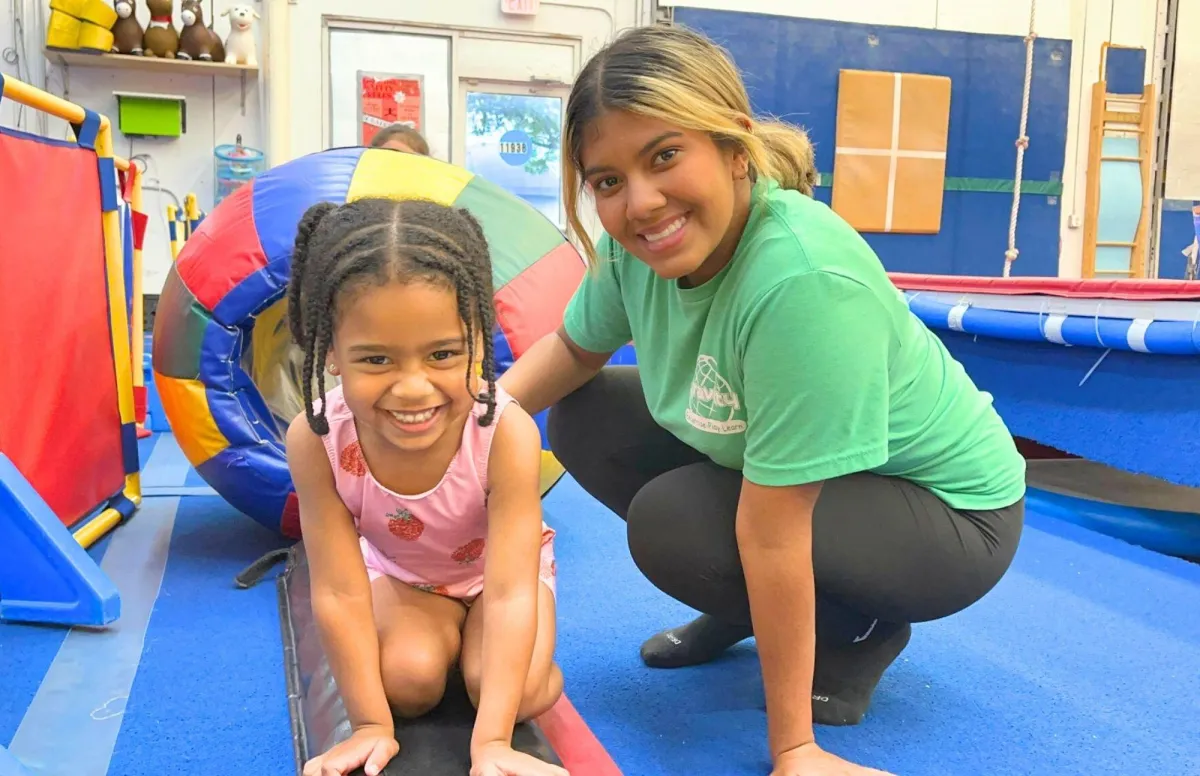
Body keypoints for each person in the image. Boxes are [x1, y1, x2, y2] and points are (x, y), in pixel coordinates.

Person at [497, 24, 1026, 776]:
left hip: (949, 516)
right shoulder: (633, 246)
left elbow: (775, 530)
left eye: (665, 156)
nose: (640, 203)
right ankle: (741, 606)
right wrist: (468, 425)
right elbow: (575, 352)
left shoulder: (800, 282)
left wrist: (794, 751)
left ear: (735, 144)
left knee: (675, 523)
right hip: (808, 475)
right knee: (584, 414)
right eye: (607, 180)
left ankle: (854, 633)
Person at [285, 197, 566, 776]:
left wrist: (491, 742)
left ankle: (493, 654)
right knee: (407, 684)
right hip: (406, 578)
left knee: (516, 692)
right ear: (330, 353)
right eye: (376, 360)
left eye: (443, 354)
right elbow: (338, 590)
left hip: (499, 582)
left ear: (481, 342)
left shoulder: (502, 431)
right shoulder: (317, 437)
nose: (413, 388)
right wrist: (369, 725)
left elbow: (512, 589)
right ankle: (443, 639)